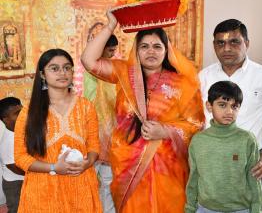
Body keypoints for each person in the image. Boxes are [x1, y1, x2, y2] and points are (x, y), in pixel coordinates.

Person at [81, 11, 205, 212]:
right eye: (144, 46)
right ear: (136, 50)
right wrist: (110, 24)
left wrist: (165, 131)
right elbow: (88, 61)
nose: (151, 52)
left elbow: (196, 124)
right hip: (128, 168)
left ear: (167, 50)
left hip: (169, 169)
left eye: (157, 46)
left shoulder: (182, 83)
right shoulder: (122, 72)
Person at [14, 48, 102, 212]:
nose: (62, 73)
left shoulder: (86, 107)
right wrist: (54, 168)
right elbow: (20, 156)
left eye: (67, 67)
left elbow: (94, 146)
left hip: (80, 188)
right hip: (43, 192)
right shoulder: (29, 112)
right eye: (54, 68)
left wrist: (87, 163)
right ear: (42, 74)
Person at [199, 19, 262, 179]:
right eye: (220, 43)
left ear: (247, 43)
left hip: (252, 163)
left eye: (234, 42)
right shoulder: (204, 76)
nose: (226, 48)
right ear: (214, 46)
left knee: (255, 204)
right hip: (210, 160)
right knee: (209, 204)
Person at [185, 81, 262, 213]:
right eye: (222, 105)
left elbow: (254, 179)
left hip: (241, 209)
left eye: (234, 106)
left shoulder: (247, 140)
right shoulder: (198, 141)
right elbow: (193, 178)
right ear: (209, 106)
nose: (229, 111)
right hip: (205, 209)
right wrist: (190, 208)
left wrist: (257, 209)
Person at [83, 34, 119, 213]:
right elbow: (90, 99)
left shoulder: (114, 69)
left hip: (110, 130)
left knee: (107, 181)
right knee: (90, 178)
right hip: (93, 128)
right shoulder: (93, 69)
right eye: (110, 50)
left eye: (114, 50)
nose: (113, 54)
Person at [0, 97, 24, 213]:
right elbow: (14, 168)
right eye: (17, 113)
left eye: (22, 111)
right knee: (16, 208)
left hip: (24, 179)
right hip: (15, 184)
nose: (23, 115)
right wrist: (37, 170)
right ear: (6, 120)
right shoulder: (8, 141)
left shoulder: (21, 131)